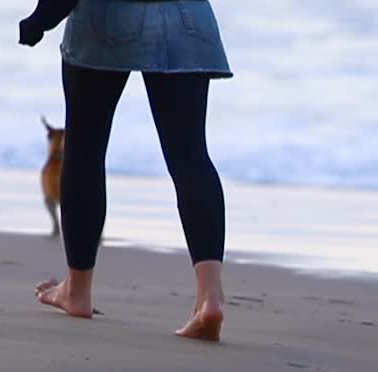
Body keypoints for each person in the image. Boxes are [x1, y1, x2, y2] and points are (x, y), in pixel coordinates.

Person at [19, 0, 232, 341]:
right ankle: (210, 297)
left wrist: (40, 19)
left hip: (107, 17)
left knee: (85, 147)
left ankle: (77, 291)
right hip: (189, 19)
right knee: (190, 154)